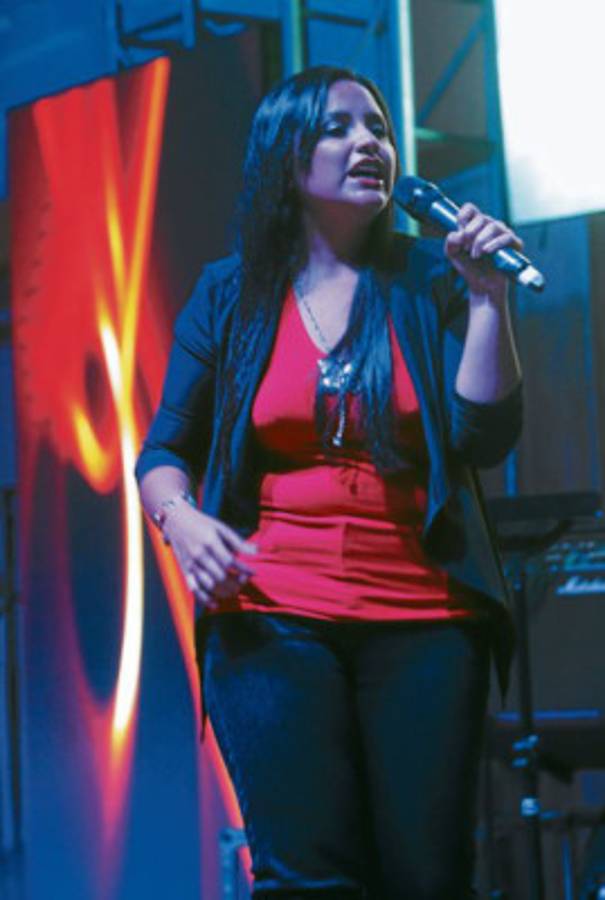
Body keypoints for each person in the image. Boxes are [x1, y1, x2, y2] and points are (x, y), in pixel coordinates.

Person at [136, 65, 523, 900]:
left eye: (377, 128)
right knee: (306, 876)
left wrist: (488, 299)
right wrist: (181, 519)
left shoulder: (427, 279)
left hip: (426, 620)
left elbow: (484, 438)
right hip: (269, 614)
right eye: (338, 128)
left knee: (429, 877)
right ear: (286, 155)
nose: (368, 144)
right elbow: (164, 449)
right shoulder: (232, 293)